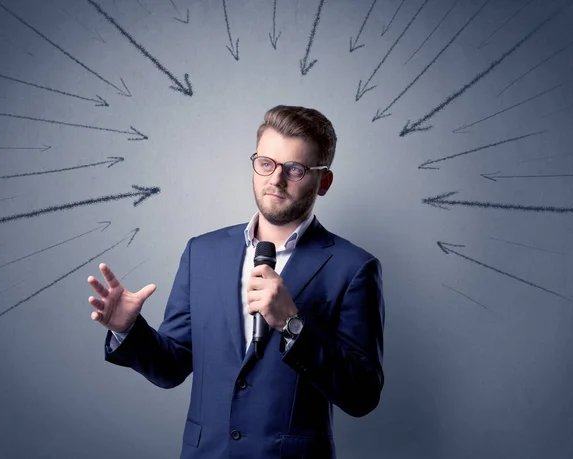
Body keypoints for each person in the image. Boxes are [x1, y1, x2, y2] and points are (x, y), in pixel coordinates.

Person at [86, 105, 385, 459]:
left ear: (323, 182)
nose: (276, 179)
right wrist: (129, 329)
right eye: (266, 163)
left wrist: (292, 324)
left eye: (295, 169)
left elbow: (362, 395)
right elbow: (171, 366)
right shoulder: (203, 252)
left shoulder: (354, 267)